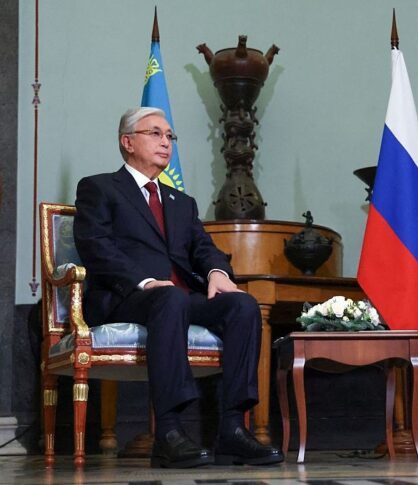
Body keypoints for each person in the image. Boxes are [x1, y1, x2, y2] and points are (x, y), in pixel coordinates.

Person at [73, 107, 283, 468]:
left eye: (169, 136)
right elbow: (96, 247)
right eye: (155, 133)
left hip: (177, 298)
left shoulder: (181, 202)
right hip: (126, 296)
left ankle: (233, 429)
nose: (165, 142)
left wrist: (217, 272)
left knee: (243, 305)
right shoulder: (100, 188)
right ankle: (168, 432)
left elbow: (204, 248)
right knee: (169, 297)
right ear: (127, 142)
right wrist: (144, 281)